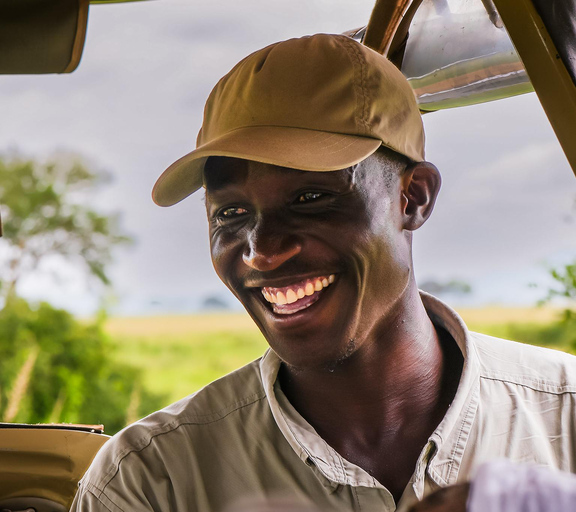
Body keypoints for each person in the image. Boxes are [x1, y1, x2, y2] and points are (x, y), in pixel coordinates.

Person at [70, 33, 576, 512]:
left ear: (413, 198)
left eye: (311, 199)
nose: (262, 252)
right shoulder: (150, 479)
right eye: (230, 214)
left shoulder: (565, 417)